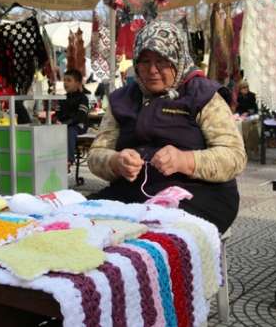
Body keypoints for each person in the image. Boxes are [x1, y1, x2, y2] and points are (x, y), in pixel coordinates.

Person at [87, 21, 247, 233]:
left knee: (155, 238)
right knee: (77, 224)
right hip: (132, 195)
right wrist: (115, 162)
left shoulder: (202, 95)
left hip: (198, 196)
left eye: (162, 61)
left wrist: (185, 160)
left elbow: (235, 156)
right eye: (145, 61)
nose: (152, 70)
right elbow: (95, 155)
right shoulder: (122, 99)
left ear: (177, 58)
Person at [56, 69, 89, 169]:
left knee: (70, 130)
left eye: (69, 80)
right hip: (64, 125)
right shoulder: (62, 99)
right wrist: (57, 121)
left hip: (78, 126)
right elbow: (58, 114)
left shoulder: (83, 98)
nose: (65, 83)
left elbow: (80, 116)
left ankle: (69, 161)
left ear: (78, 83)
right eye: (64, 80)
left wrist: (65, 123)